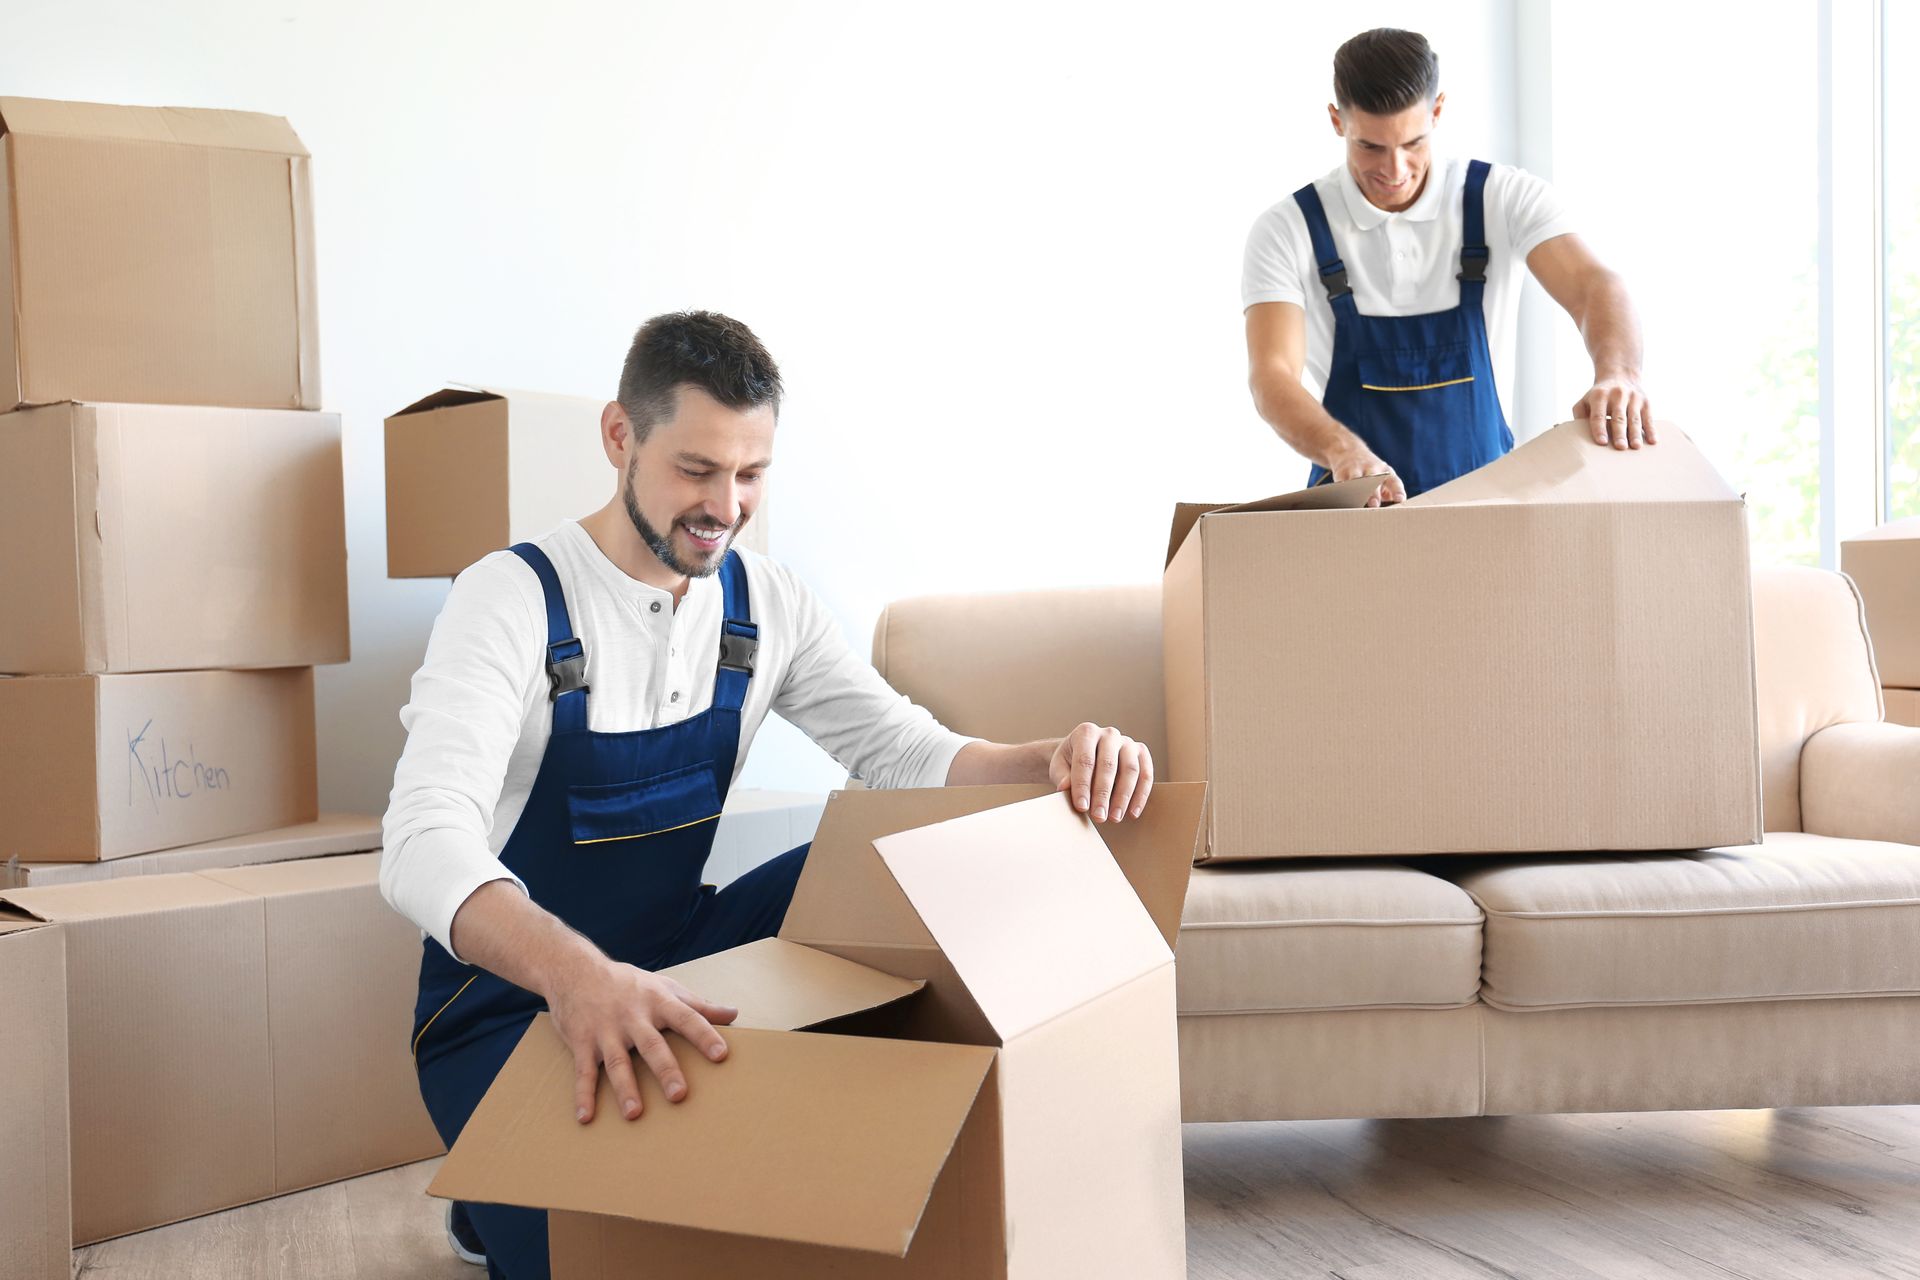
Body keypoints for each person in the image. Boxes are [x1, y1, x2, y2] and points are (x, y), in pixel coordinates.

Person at [380, 311, 1155, 1278]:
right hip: (509, 1005)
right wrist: (580, 977)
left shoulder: (765, 603)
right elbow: (419, 841)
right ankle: (489, 1203)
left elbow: (902, 749)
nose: (726, 506)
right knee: (610, 1254)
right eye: (697, 471)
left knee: (888, 855)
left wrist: (1050, 761)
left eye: (751, 475)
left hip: (678, 964)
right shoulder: (511, 600)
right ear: (620, 436)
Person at [1242, 27, 1657, 504]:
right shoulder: (1286, 229)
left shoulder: (1503, 198)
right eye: (1370, 147)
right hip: (1352, 512)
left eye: (1413, 143)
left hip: (1486, 510)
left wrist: (1620, 373)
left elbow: (1594, 284)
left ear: (1437, 111)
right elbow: (1271, 374)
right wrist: (1342, 450)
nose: (1394, 170)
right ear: (1338, 122)